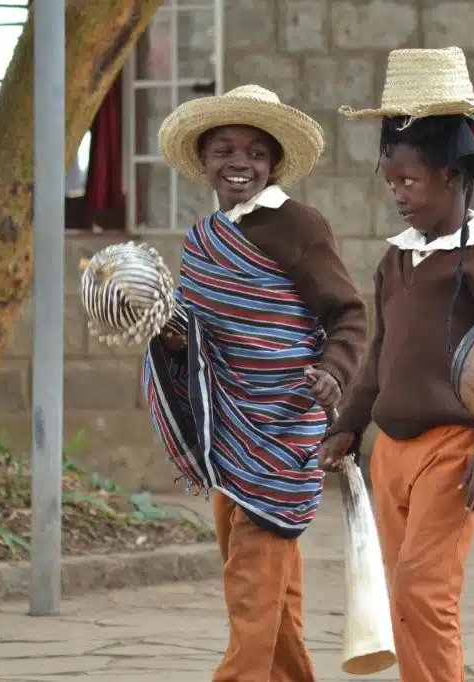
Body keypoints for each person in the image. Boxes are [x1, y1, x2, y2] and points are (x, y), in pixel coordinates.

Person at [146, 84, 368, 682]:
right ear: (204, 160)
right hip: (228, 429)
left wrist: (334, 372)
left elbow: (347, 313)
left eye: (255, 152)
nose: (238, 162)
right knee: (272, 585)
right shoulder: (203, 238)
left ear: (273, 163)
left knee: (251, 583)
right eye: (224, 150)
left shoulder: (298, 225)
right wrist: (166, 331)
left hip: (281, 427)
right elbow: (198, 331)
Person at [318, 46, 474, 682]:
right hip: (391, 452)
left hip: (455, 449)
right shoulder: (395, 260)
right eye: (391, 183)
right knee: (399, 595)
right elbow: (380, 353)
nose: (398, 195)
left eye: (409, 182)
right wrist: (349, 424)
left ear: (454, 176)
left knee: (424, 590)